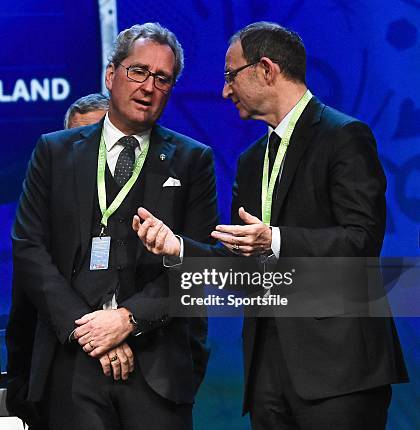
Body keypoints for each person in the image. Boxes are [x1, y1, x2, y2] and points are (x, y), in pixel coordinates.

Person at [133, 21, 408, 430]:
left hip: (340, 373)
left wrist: (274, 239)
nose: (225, 90)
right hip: (267, 375)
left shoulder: (344, 137)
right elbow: (240, 266)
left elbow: (361, 242)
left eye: (231, 75)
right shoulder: (250, 160)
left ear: (266, 69)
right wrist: (179, 249)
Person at [9, 22, 218, 429]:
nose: (148, 87)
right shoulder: (54, 151)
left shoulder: (193, 160)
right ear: (111, 75)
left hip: (157, 367)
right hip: (72, 365)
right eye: (138, 71)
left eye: (162, 78)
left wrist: (127, 320)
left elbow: (201, 264)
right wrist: (88, 330)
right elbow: (28, 248)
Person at [6, 91, 110, 430]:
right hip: (58, 386)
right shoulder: (42, 220)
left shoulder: (149, 206)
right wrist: (22, 384)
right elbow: (25, 308)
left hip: (137, 384)